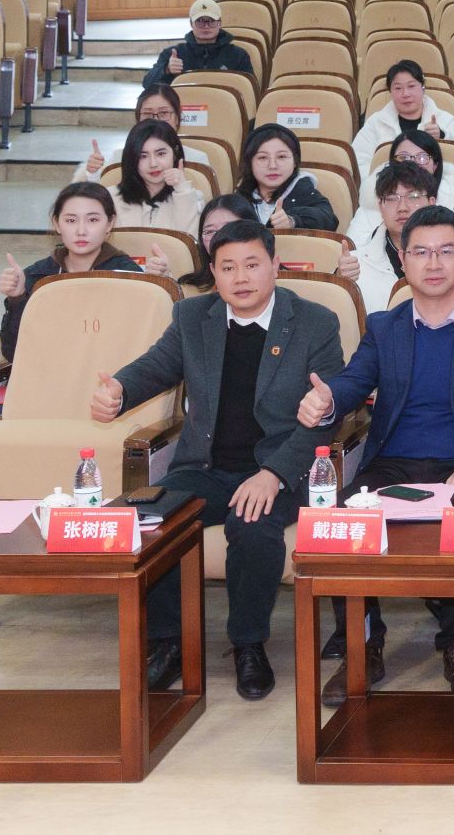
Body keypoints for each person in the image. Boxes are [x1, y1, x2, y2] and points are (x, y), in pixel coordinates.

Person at [96, 217, 343, 701]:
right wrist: (120, 390)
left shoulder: (314, 322)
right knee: (150, 519)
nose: (241, 277)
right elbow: (156, 367)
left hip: (276, 469)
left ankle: (248, 644)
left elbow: (325, 418)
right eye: (228, 267)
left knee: (251, 526)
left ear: (275, 266)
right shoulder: (194, 317)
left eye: (252, 264)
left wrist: (274, 474)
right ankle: (168, 642)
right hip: (205, 468)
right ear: (213, 272)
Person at [296, 205, 454, 703]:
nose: (434, 263)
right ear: (403, 260)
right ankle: (363, 645)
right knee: (341, 521)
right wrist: (328, 399)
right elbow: (354, 381)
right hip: (392, 463)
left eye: (446, 251)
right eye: (421, 252)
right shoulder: (385, 327)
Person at [0, 182, 143, 359]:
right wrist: (17, 298)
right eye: (71, 221)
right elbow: (13, 353)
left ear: (109, 223)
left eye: (93, 220)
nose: (81, 231)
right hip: (51, 369)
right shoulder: (37, 275)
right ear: (57, 224)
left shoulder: (129, 275)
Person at [340, 163, 454, 316]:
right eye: (391, 198)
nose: (402, 207)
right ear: (381, 207)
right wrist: (343, 284)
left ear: (431, 203)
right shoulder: (355, 266)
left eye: (413, 196)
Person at [347, 128, 454, 234]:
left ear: (435, 165)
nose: (413, 163)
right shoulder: (374, 198)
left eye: (422, 158)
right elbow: (356, 248)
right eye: (404, 157)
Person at [351, 61, 454, 172]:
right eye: (398, 88)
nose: (405, 94)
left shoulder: (446, 120)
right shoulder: (376, 122)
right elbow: (358, 163)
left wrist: (442, 136)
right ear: (390, 91)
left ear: (423, 87)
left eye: (411, 86)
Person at [236, 123, 337, 231]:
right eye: (262, 158)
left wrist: (293, 221)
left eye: (281, 156)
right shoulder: (239, 198)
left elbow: (329, 219)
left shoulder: (304, 191)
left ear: (295, 162)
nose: (272, 166)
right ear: (249, 163)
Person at [71, 86, 181, 181]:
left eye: (164, 113)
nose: (155, 120)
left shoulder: (191, 159)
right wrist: (94, 175)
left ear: (178, 117)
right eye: (147, 114)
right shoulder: (119, 158)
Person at [113, 119, 205, 231]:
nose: (153, 164)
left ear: (175, 153)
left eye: (161, 154)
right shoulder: (111, 198)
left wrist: (183, 191)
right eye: (143, 156)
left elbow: (190, 239)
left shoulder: (192, 197)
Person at [144, 0, 253, 90]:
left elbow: (250, 89)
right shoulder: (173, 54)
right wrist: (166, 69)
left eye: (211, 21)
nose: (206, 26)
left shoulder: (238, 55)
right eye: (200, 21)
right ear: (191, 24)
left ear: (220, 23)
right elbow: (147, 85)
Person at [176, 196, 259, 294]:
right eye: (210, 231)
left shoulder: (267, 282)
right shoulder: (189, 289)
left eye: (228, 228)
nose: (218, 237)